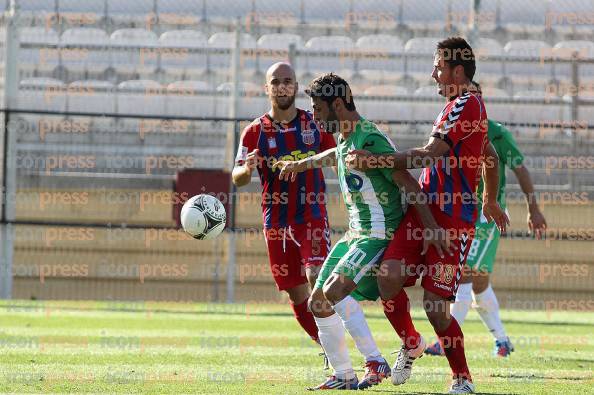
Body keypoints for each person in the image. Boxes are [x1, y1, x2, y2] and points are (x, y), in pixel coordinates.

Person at [345, 37, 509, 394]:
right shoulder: (465, 106)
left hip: (452, 223)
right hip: (422, 215)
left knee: (436, 306)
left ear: (457, 71)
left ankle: (462, 378)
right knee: (388, 277)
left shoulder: (465, 105)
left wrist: (374, 161)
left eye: (438, 67)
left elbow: (427, 154)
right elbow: (491, 154)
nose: (433, 74)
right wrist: (492, 199)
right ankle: (411, 341)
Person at [273, 73, 448, 390]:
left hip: (379, 233)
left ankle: (375, 362)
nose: (314, 116)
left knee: (335, 290)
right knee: (318, 302)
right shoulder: (344, 136)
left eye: (318, 108)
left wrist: (432, 229)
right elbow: (334, 155)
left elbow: (408, 183)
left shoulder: (370, 139)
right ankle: (343, 374)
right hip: (356, 233)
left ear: (337, 104)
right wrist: (300, 165)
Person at [425, 81, 547, 358]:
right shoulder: (447, 127)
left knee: (465, 274)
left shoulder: (496, 132)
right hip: (460, 211)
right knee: (478, 282)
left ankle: (447, 343)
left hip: (486, 214)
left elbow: (520, 168)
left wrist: (533, 208)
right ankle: (503, 340)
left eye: (474, 96)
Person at [231, 62, 336, 358]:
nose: (282, 86)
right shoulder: (254, 132)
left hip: (311, 214)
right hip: (276, 221)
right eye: (275, 82)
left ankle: (347, 344)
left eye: (287, 81)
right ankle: (328, 347)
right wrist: (246, 169)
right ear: (267, 88)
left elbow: (336, 156)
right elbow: (237, 178)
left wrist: (311, 162)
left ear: (296, 86)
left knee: (317, 275)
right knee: (296, 292)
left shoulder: (314, 125)